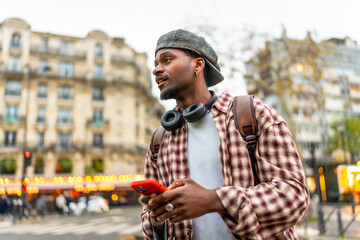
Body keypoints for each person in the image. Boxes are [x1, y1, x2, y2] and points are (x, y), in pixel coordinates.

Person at [140, 29, 310, 240]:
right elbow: (149, 224)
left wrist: (214, 200)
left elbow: (294, 197)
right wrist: (157, 219)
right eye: (155, 63)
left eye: (167, 60)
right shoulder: (159, 140)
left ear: (198, 65)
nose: (157, 70)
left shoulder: (252, 114)